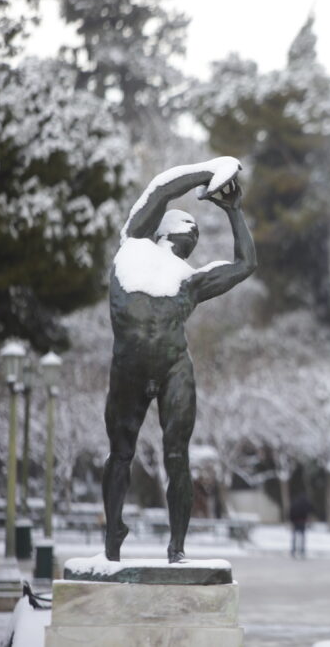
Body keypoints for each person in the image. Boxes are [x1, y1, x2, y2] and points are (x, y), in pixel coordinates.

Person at [102, 158, 257, 563]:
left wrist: (234, 211)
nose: (194, 231)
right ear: (163, 230)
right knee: (120, 452)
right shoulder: (134, 243)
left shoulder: (190, 280)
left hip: (174, 368)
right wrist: (210, 171)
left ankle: (177, 548)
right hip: (128, 367)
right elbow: (162, 188)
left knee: (177, 456)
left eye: (197, 229)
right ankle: (113, 540)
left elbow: (246, 265)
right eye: (187, 225)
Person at [289, 493, 314, 559]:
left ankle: (293, 551)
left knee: (294, 537)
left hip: (295, 521)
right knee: (302, 537)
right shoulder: (305, 503)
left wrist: (291, 520)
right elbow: (311, 509)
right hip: (302, 521)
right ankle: (302, 551)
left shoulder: (295, 502)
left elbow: (291, 511)